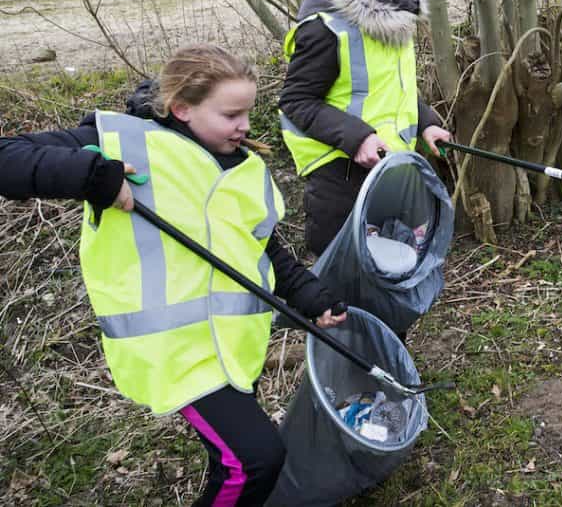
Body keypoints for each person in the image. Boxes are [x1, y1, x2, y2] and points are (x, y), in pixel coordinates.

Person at [0, 44, 347, 506]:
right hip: (174, 350)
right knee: (254, 461)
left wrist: (311, 296)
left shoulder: (247, 166)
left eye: (248, 112)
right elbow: (8, 158)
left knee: (237, 460)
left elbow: (263, 249)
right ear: (182, 107)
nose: (245, 126)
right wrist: (91, 174)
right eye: (231, 114)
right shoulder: (124, 142)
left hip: (231, 345)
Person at [279, 0, 451, 257]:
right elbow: (296, 102)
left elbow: (390, 90)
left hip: (393, 170)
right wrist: (358, 139)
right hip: (342, 182)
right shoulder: (326, 25)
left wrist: (425, 124)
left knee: (395, 284)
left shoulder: (396, 12)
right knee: (348, 296)